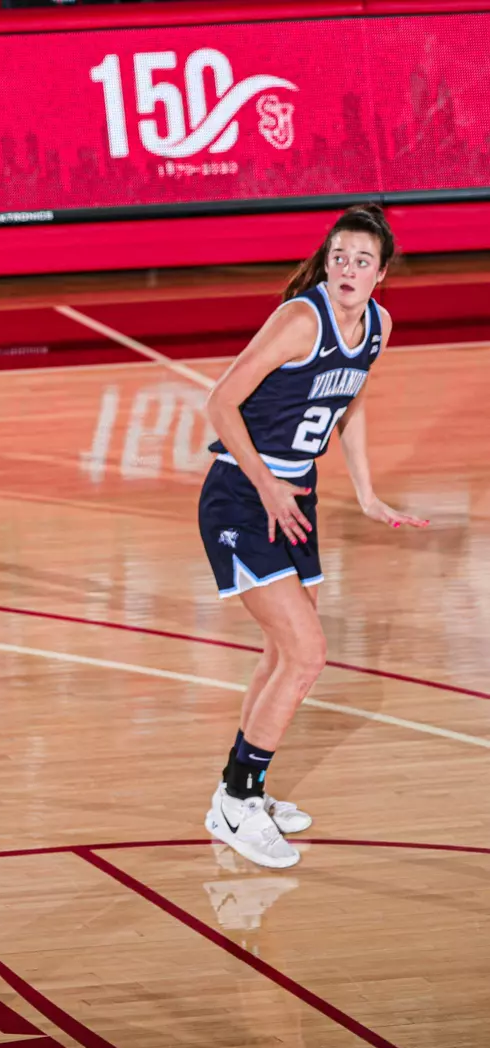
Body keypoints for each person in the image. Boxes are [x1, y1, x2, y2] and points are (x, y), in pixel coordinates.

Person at [199, 205, 426, 869]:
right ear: (325, 262)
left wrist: (365, 492)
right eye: (339, 257)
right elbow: (219, 401)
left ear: (381, 273)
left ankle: (240, 792)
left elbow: (350, 402)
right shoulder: (302, 319)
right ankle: (238, 801)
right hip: (242, 495)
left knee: (283, 649)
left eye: (362, 260)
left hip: (299, 495)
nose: (348, 269)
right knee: (306, 653)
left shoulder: (378, 325)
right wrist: (267, 485)